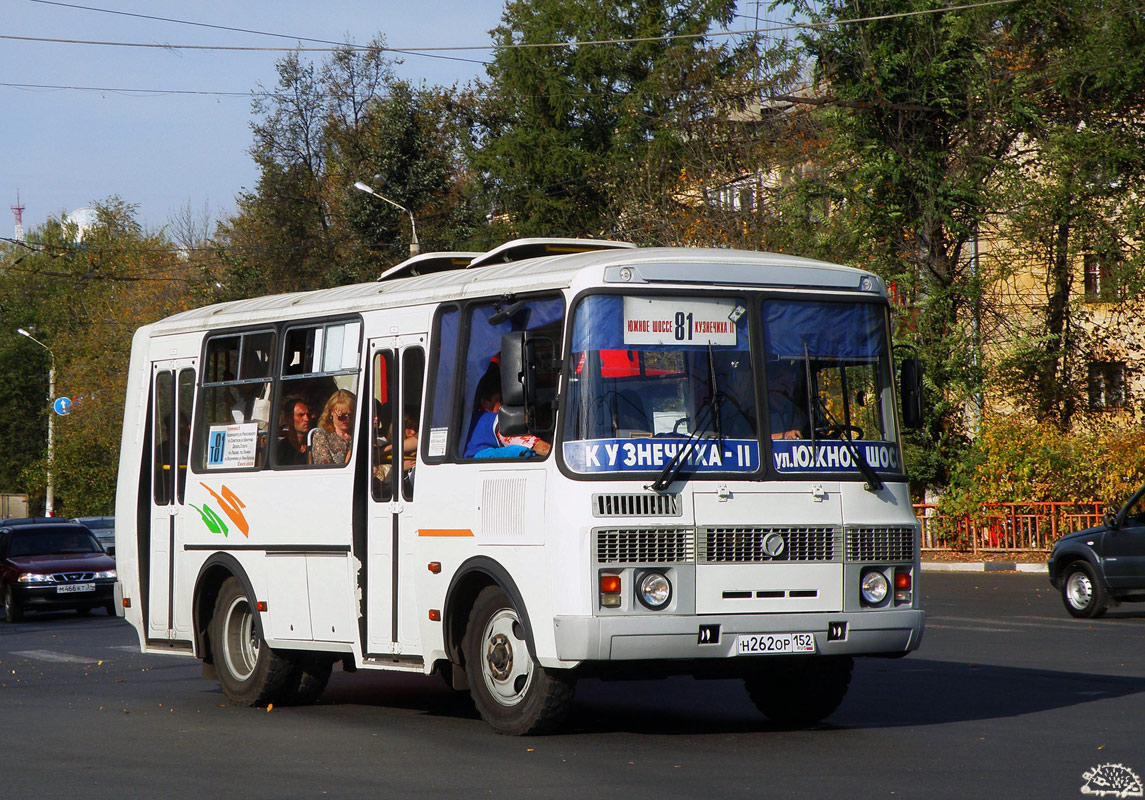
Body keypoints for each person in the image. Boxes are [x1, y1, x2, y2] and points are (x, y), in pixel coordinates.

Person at [463, 368, 550, 458]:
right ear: (484, 402)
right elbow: (540, 447)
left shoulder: (463, 423)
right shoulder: (493, 422)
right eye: (499, 400)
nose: (504, 405)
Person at [768, 358, 809, 440]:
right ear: (770, 383)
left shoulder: (797, 414)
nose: (788, 390)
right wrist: (783, 436)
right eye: (784, 385)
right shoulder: (754, 411)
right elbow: (745, 439)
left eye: (791, 384)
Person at [311, 389, 356, 464]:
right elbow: (325, 465)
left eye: (351, 416)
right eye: (342, 416)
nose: (347, 420)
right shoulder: (322, 435)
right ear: (332, 412)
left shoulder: (358, 433)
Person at [276, 394, 313, 465]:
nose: (307, 419)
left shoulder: (316, 444)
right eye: (301, 415)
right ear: (288, 419)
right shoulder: (281, 449)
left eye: (308, 415)